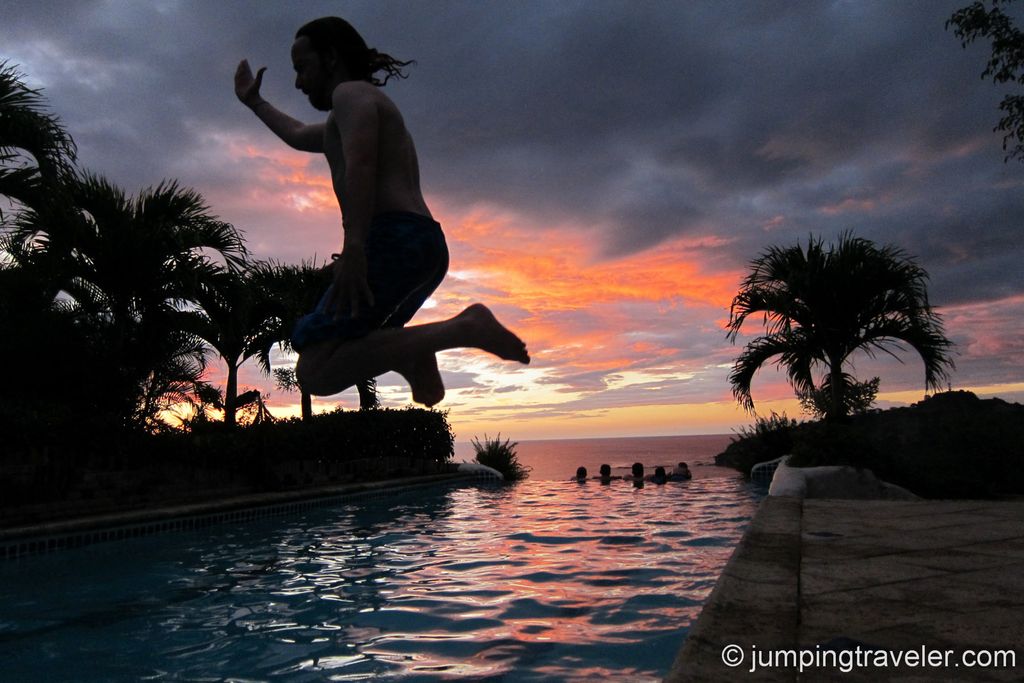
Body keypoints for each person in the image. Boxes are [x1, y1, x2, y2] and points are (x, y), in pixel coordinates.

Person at [235, 17, 529, 406]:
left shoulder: (351, 95)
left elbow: (361, 165)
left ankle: (461, 329)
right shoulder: (349, 113)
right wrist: (254, 102)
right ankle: (414, 351)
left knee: (316, 370)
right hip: (421, 244)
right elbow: (298, 134)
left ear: (331, 58)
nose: (298, 82)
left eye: (302, 68)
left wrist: (355, 248)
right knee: (346, 350)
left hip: (395, 238)